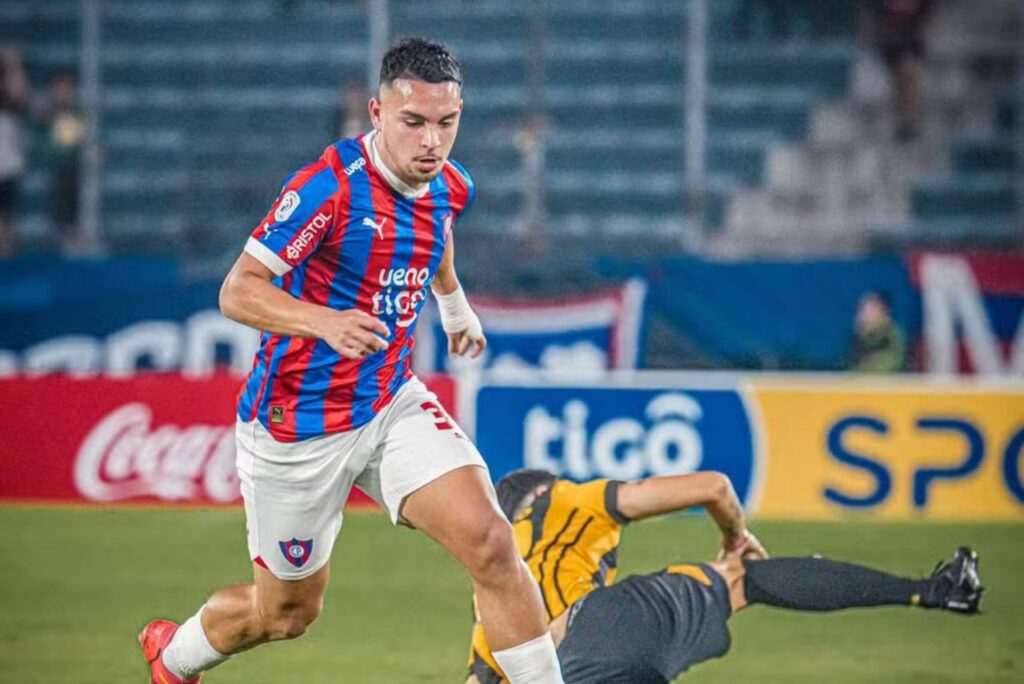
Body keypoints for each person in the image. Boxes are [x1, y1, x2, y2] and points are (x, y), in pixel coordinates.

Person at [139, 39, 563, 684]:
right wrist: (325, 322)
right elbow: (238, 290)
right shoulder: (328, 189)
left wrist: (453, 308)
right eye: (414, 123)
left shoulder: (449, 183)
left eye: (446, 123)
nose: (432, 142)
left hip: (390, 401)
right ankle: (174, 658)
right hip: (297, 422)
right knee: (284, 616)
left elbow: (435, 234)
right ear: (376, 113)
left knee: (493, 544)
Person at [466, 469, 984, 683]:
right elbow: (713, 486)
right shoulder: (566, 498)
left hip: (560, 669)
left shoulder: (488, 590)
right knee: (740, 576)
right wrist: (736, 534)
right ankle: (937, 590)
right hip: (611, 621)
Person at [865, 0, 936, 142]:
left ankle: (908, 121)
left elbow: (927, 15)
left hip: (910, 37)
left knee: (908, 72)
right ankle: (905, 120)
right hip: (889, 37)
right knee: (902, 76)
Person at [41, 72, 85, 254]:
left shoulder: (80, 114)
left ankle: (77, 240)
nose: (64, 92)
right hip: (58, 169)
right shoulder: (46, 115)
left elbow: (89, 139)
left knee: (76, 203)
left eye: (67, 88)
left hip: (77, 170)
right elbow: (42, 143)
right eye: (60, 88)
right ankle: (64, 241)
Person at [0, 44, 28, 257]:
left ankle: (7, 256)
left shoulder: (12, 104)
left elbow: (19, 91)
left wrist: (12, 62)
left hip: (8, 169)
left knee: (7, 220)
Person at [849, 290, 906, 372]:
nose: (864, 316)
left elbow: (888, 366)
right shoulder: (859, 339)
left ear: (885, 315)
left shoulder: (894, 337)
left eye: (871, 311)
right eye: (862, 310)